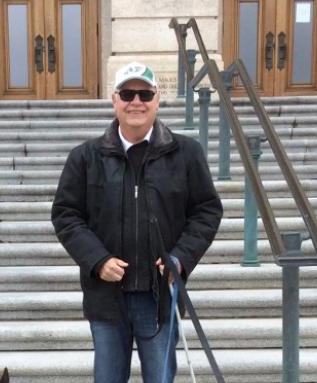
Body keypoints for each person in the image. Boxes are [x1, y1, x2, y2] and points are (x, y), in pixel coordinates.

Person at [51, 62, 223, 383]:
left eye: (145, 94)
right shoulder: (85, 158)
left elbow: (207, 210)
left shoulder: (186, 154)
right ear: (114, 100)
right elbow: (66, 214)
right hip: (106, 300)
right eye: (128, 93)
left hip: (157, 299)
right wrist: (97, 260)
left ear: (157, 100)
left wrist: (181, 258)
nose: (136, 102)